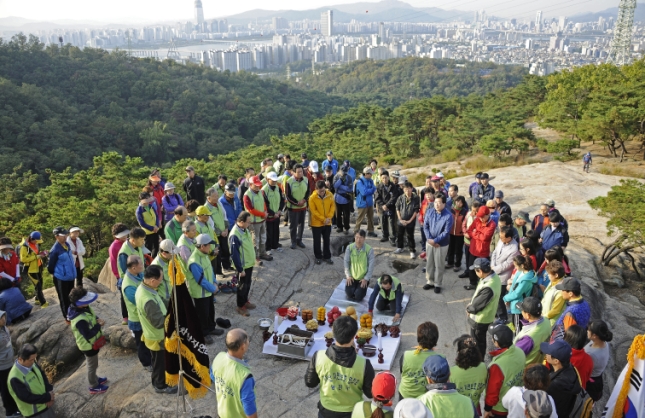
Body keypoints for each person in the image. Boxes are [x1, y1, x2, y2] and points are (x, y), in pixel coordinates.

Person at [305, 315, 375, 418]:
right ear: (354, 336)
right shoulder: (364, 364)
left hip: (326, 411)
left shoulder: (318, 356)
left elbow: (310, 382)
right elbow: (370, 393)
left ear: (333, 332)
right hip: (353, 412)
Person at [136, 265, 177, 394]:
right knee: (160, 362)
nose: (162, 282)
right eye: (161, 279)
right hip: (157, 337)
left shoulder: (146, 288)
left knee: (158, 361)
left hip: (153, 335)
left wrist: (172, 302)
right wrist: (174, 320)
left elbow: (159, 301)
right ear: (153, 280)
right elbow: (159, 322)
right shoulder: (147, 299)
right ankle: (160, 386)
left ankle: (160, 380)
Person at [68, 287, 108, 394]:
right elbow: (88, 335)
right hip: (88, 345)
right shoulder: (79, 319)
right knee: (92, 365)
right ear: (79, 302)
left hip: (92, 343)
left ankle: (95, 378)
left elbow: (91, 315)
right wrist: (98, 326)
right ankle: (93, 385)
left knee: (94, 364)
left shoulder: (83, 308)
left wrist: (96, 319)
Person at [211, 329, 257, 418]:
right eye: (248, 340)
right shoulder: (245, 376)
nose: (248, 342)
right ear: (243, 346)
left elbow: (213, 376)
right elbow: (249, 406)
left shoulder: (218, 357)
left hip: (222, 413)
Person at [483, 324, 526, 418]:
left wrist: (487, 409)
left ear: (496, 343)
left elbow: (492, 391)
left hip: (500, 409)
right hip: (517, 401)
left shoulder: (496, 366)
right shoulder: (520, 351)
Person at [186, 234, 221, 341]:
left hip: (208, 291)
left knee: (210, 310)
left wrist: (215, 283)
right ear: (202, 246)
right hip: (200, 293)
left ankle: (211, 328)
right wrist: (213, 288)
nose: (210, 247)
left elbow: (210, 271)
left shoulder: (204, 255)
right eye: (209, 245)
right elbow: (200, 280)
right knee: (202, 314)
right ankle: (203, 333)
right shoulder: (194, 261)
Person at [121, 255, 152, 370]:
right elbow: (137, 301)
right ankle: (146, 363)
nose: (143, 266)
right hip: (137, 318)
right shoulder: (128, 285)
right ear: (133, 268)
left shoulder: (139, 275)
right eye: (141, 265)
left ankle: (150, 359)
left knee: (147, 340)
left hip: (143, 316)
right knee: (141, 343)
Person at [466, 258, 501, 359]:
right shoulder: (494, 277)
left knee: (477, 343)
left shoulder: (488, 287)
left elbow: (477, 306)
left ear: (480, 271)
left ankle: (478, 362)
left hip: (480, 320)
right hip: (487, 317)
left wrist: (469, 308)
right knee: (480, 340)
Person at [8, 344, 55, 418]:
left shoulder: (31, 363)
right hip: (35, 414)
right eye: (31, 360)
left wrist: (49, 392)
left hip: (46, 406)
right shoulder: (14, 378)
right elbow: (26, 397)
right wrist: (48, 397)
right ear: (20, 359)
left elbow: (42, 376)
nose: (33, 362)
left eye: (34, 359)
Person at [398, 321, 442, 399]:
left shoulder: (406, 355)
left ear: (418, 338)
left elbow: (402, 373)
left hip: (405, 395)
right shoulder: (440, 358)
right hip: (427, 398)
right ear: (436, 339)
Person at [540, 339, 581, 417]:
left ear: (556, 361)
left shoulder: (554, 385)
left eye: (548, 353)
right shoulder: (571, 368)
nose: (546, 354)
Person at [423, 192, 453, 293]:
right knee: (429, 263)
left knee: (439, 264)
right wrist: (430, 239)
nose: (437, 204)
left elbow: (446, 232)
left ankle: (437, 283)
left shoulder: (448, 216)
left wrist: (435, 241)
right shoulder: (430, 211)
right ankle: (430, 281)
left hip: (441, 244)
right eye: (435, 202)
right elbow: (425, 226)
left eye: (439, 203)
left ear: (444, 204)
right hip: (429, 242)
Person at [229, 212, 257, 317]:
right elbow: (234, 254)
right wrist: (240, 269)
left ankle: (245, 301)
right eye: (248, 222)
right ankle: (240, 306)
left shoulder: (244, 230)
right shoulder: (234, 235)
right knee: (241, 286)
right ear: (241, 222)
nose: (249, 224)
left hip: (249, 263)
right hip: (242, 266)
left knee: (247, 284)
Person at [491, 226, 519, 323]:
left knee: (500, 297)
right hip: (495, 270)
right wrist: (492, 265)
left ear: (509, 238)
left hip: (503, 276)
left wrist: (495, 269)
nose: (500, 239)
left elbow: (507, 265)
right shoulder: (501, 241)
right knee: (494, 295)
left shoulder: (514, 249)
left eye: (502, 237)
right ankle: (496, 312)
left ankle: (503, 317)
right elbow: (495, 252)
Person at [450, 335, 487, 408]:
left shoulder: (452, 372)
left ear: (459, 352)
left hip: (459, 409)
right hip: (475, 408)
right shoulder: (483, 367)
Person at [47, 227, 76, 321]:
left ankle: (74, 312)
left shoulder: (67, 245)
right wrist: (59, 273)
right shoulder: (55, 250)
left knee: (71, 296)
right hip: (61, 278)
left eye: (66, 235)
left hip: (70, 276)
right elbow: (50, 267)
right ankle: (67, 316)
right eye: (63, 235)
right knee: (64, 298)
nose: (65, 237)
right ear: (56, 237)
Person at [242, 175, 273, 263]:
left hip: (262, 220)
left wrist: (265, 212)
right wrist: (263, 214)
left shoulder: (259, 191)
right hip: (254, 222)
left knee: (263, 237)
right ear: (250, 184)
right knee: (255, 239)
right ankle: (256, 256)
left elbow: (263, 203)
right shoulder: (247, 195)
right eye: (255, 185)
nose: (257, 186)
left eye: (258, 185)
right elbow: (250, 209)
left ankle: (263, 253)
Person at [513, 297, 552, 365]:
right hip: (539, 363)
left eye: (522, 310)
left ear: (528, 315)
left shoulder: (528, 338)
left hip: (526, 369)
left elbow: (514, 357)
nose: (521, 312)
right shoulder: (546, 321)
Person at [550, 277, 590, 342]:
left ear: (570, 293)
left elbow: (568, 338)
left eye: (563, 290)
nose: (561, 292)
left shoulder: (570, 313)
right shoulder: (585, 303)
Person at [465, 206, 496, 289]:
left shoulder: (492, 224)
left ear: (488, 215)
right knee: (471, 267)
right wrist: (478, 234)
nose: (481, 218)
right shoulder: (477, 220)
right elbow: (469, 230)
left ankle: (481, 286)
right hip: (473, 248)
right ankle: (472, 283)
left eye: (483, 216)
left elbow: (485, 237)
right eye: (480, 216)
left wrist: (475, 233)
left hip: (483, 251)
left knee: (482, 270)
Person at [503, 255, 537, 333]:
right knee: (516, 324)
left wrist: (505, 298)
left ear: (522, 265)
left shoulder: (526, 280)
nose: (515, 267)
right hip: (515, 303)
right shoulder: (521, 272)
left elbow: (517, 294)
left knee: (518, 326)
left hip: (519, 306)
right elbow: (513, 286)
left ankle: (518, 343)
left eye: (515, 265)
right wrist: (509, 298)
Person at [585, 319, 613, 402]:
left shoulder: (592, 354)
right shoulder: (604, 343)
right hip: (597, 377)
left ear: (595, 336)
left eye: (589, 330)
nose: (587, 331)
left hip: (589, 382)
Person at [309, 180, 335, 265]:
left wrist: (329, 218)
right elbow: (314, 212)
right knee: (317, 241)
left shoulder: (330, 195)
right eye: (320, 191)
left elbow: (332, 207)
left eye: (323, 190)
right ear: (316, 189)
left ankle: (327, 256)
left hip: (327, 222)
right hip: (316, 223)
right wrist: (323, 219)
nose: (322, 192)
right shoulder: (312, 198)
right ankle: (318, 256)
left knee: (327, 240)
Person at [19, 232, 48, 307]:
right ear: (32, 239)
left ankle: (37, 299)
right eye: (36, 241)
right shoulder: (24, 247)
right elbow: (23, 259)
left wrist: (42, 254)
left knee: (40, 283)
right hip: (31, 270)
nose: (37, 242)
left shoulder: (36, 244)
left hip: (38, 266)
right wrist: (37, 257)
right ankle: (43, 303)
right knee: (37, 285)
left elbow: (37, 254)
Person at [344, 230, 375, 302]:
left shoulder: (369, 249)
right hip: (352, 277)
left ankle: (362, 290)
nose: (358, 240)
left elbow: (371, 265)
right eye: (357, 237)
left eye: (361, 237)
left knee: (358, 296)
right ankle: (354, 287)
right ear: (354, 237)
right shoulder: (349, 248)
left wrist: (366, 278)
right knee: (349, 294)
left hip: (363, 278)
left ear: (364, 238)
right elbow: (346, 262)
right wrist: (348, 276)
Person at [109, 224, 129, 324]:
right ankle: (125, 317)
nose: (125, 237)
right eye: (123, 235)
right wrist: (118, 276)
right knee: (124, 296)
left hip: (131, 271)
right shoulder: (114, 246)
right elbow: (113, 263)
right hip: (121, 275)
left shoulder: (127, 242)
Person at [286, 164, 310, 249]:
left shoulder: (306, 180)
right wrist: (296, 203)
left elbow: (308, 192)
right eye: (298, 172)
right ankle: (293, 241)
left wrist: (304, 200)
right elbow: (288, 196)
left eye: (301, 171)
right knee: (293, 225)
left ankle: (299, 240)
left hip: (303, 207)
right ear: (293, 172)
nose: (300, 173)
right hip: (293, 208)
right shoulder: (289, 181)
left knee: (301, 224)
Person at [394, 182, 420, 260]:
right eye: (405, 189)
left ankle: (412, 250)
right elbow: (397, 208)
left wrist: (409, 221)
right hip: (401, 220)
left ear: (412, 189)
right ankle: (400, 247)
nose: (407, 191)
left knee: (410, 236)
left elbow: (416, 210)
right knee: (400, 234)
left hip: (410, 220)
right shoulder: (400, 197)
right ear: (403, 190)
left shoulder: (416, 198)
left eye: (409, 189)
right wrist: (400, 219)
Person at [0, 311, 19, 417]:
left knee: (12, 386)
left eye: (3, 316)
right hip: (2, 367)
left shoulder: (4, 328)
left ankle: (15, 407)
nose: (3, 319)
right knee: (5, 389)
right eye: (0, 318)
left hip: (10, 362)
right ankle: (10, 412)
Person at [563, 325, 593, 390]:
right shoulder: (589, 359)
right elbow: (587, 378)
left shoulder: (562, 357)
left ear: (567, 338)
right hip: (579, 393)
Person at [262, 172, 285, 253]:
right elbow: (265, 205)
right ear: (267, 180)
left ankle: (275, 246)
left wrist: (279, 211)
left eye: (275, 180)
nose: (275, 182)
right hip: (269, 216)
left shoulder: (278, 188)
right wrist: (273, 214)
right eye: (273, 180)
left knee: (276, 231)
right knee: (269, 232)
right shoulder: (264, 190)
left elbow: (282, 201)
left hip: (277, 214)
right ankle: (268, 248)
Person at [375, 170, 400, 246]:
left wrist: (387, 205)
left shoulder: (393, 186)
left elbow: (394, 197)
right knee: (383, 222)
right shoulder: (379, 186)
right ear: (381, 178)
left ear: (388, 178)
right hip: (382, 208)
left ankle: (392, 238)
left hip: (390, 207)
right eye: (383, 178)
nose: (384, 180)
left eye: (386, 178)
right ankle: (385, 236)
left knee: (391, 223)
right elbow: (377, 197)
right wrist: (383, 205)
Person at [459, 202, 481, 279]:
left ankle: (474, 275)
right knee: (467, 258)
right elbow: (464, 224)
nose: (474, 213)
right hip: (467, 241)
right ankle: (467, 271)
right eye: (472, 210)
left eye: (476, 211)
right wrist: (465, 233)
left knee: (474, 260)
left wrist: (470, 235)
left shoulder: (480, 218)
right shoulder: (468, 214)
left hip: (475, 243)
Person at [150, 239, 176, 306]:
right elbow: (153, 289)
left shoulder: (170, 259)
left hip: (174, 297)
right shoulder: (155, 266)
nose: (173, 254)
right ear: (164, 253)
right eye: (171, 253)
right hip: (165, 302)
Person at [136, 191, 161, 258]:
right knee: (148, 249)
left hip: (155, 230)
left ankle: (154, 260)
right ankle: (148, 262)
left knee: (156, 246)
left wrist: (156, 225)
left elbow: (156, 215)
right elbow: (142, 223)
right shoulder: (139, 210)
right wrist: (152, 228)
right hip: (147, 233)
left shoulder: (150, 206)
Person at [541, 260, 566, 327]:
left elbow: (556, 310)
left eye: (549, 274)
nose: (548, 275)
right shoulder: (553, 282)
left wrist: (542, 317)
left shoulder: (561, 290)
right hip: (545, 318)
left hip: (552, 323)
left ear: (556, 275)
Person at [355, 167, 377, 237]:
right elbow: (364, 192)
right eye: (370, 174)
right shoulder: (359, 182)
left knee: (370, 218)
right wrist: (371, 190)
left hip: (370, 202)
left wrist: (369, 190)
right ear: (366, 174)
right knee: (360, 219)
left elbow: (375, 188)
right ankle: (356, 232)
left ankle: (371, 231)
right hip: (362, 203)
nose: (371, 175)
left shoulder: (370, 180)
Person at [334, 167, 354, 235]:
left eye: (345, 172)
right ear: (339, 171)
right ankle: (339, 227)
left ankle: (346, 227)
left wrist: (340, 186)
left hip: (346, 198)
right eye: (342, 171)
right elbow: (335, 186)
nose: (343, 173)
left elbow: (350, 189)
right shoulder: (336, 176)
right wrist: (340, 180)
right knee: (338, 214)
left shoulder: (349, 177)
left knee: (346, 214)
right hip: (337, 197)